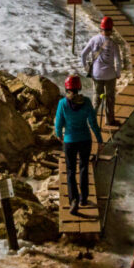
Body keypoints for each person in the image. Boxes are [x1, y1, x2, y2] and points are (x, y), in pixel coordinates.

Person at [53, 75, 100, 211]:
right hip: (85, 139)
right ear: (79, 87)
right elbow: (93, 123)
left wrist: (59, 135)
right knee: (84, 168)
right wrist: (100, 139)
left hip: (69, 141)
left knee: (71, 171)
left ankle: (73, 200)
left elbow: (58, 123)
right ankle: (84, 198)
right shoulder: (86, 101)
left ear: (67, 88)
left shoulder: (62, 103)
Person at [80, 14, 125, 123]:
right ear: (111, 29)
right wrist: (118, 74)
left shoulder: (94, 40)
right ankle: (109, 120)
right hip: (110, 75)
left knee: (96, 99)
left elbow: (83, 54)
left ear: (101, 28)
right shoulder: (114, 44)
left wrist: (86, 68)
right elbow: (118, 61)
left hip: (96, 75)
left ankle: (92, 121)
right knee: (110, 98)